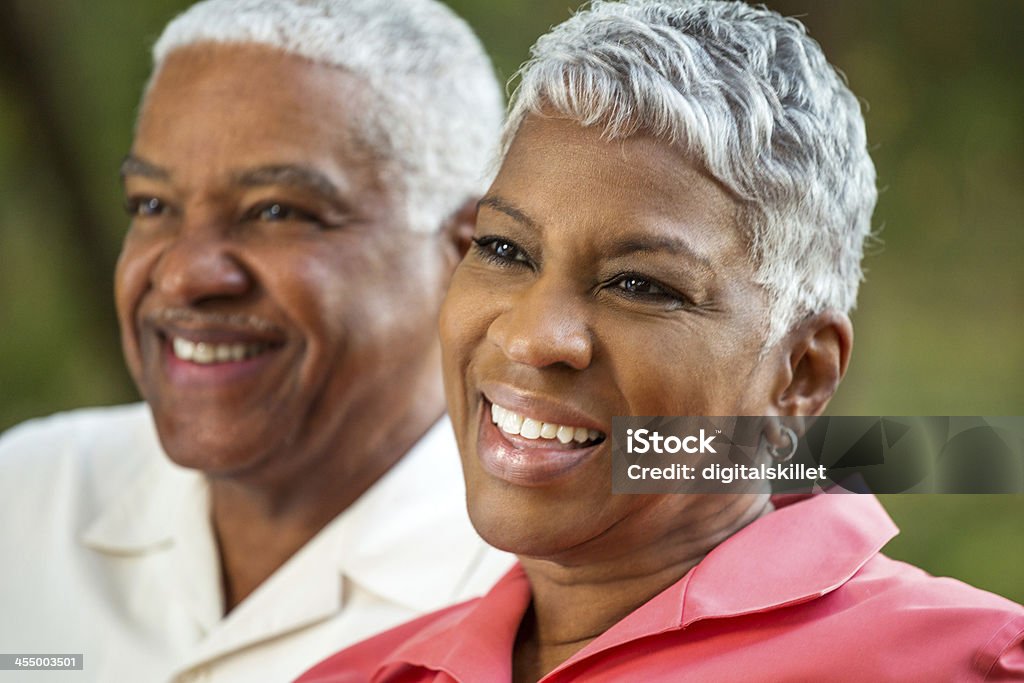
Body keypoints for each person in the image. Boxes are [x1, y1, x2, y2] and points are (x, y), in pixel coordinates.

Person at [297, 1, 1024, 681]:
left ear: (800, 374)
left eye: (640, 285)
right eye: (505, 249)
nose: (531, 336)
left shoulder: (971, 660)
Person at [0, 1, 513, 681]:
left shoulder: (555, 581)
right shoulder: (31, 492)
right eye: (152, 205)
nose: (184, 274)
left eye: (276, 211)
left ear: (465, 252)